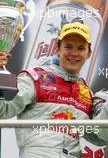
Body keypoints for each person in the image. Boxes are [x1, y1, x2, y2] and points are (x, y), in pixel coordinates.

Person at [0, 22, 94, 158]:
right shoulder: (35, 78)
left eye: (80, 48)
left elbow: (99, 137)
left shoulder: (87, 93)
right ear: (57, 49)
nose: (74, 53)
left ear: (89, 53)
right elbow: (3, 110)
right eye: (68, 47)